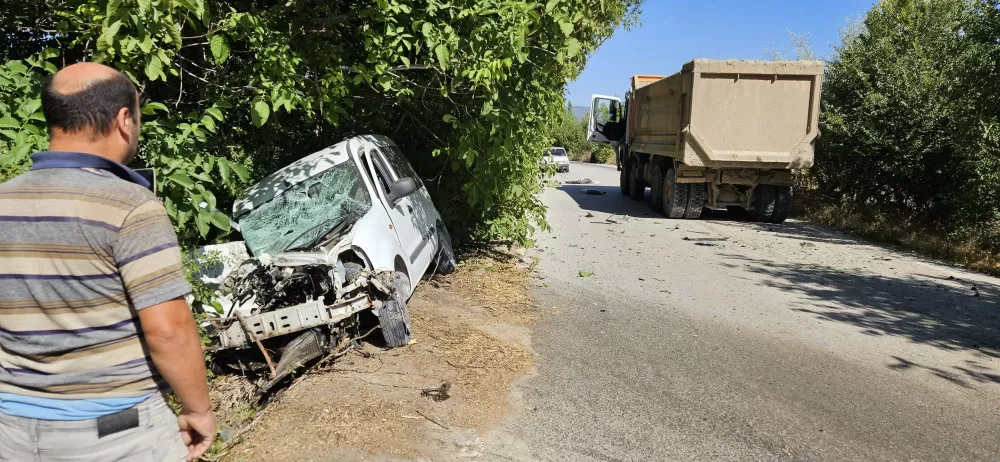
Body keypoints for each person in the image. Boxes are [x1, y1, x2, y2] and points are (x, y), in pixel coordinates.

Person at [0, 63, 216, 461]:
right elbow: (168, 332)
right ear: (123, 120)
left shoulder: (4, 200)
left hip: (11, 430)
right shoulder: (130, 206)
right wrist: (198, 409)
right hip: (115, 433)